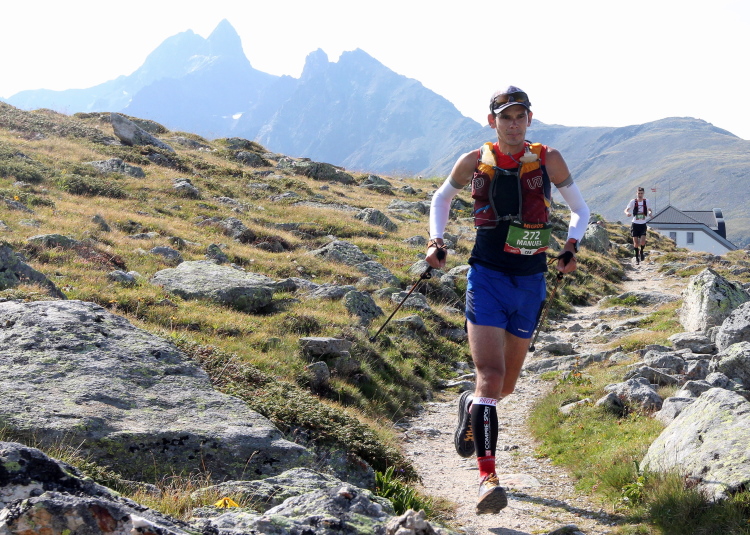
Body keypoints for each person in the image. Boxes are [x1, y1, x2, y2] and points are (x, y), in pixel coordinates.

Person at [425, 86, 590, 515]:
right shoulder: (473, 160)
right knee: (490, 376)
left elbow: (581, 209)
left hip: (531, 281)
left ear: (529, 119)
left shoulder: (549, 159)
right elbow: (441, 198)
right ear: (492, 120)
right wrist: (436, 241)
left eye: (520, 117)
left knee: (506, 387)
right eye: (505, 117)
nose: (513, 124)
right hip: (487, 278)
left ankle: (470, 405)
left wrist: (571, 246)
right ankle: (487, 478)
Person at [624, 187, 652, 263]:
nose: (640, 195)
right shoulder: (633, 201)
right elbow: (626, 209)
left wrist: (650, 213)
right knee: (636, 243)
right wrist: (627, 213)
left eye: (641, 193)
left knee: (642, 242)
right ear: (636, 193)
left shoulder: (646, 201)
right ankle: (636, 258)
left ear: (643, 193)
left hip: (643, 224)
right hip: (635, 224)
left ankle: (642, 251)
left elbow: (649, 209)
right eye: (639, 193)